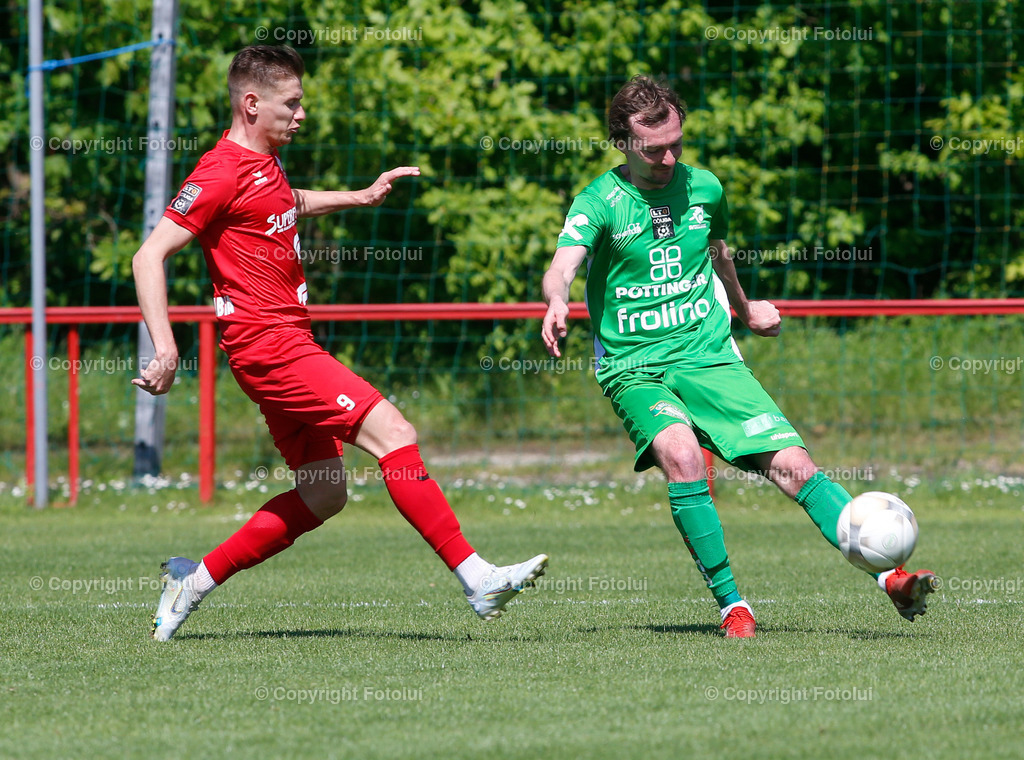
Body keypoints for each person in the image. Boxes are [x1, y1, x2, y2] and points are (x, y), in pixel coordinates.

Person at [133, 45, 547, 642]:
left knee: (324, 493)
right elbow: (149, 255)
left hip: (283, 343)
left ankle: (190, 583)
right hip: (270, 346)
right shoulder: (219, 170)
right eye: (291, 103)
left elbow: (283, 205)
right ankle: (477, 577)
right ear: (252, 103)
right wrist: (166, 348)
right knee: (396, 434)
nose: (302, 114)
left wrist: (360, 196)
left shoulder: (266, 163)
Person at [540, 75, 935, 638]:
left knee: (797, 468)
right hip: (634, 366)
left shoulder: (705, 188)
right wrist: (557, 301)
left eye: (677, 142)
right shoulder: (599, 201)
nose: (669, 157)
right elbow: (563, 265)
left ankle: (891, 577)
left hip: (708, 355)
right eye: (655, 149)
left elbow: (718, 251)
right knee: (681, 456)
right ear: (622, 142)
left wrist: (746, 311)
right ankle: (732, 606)